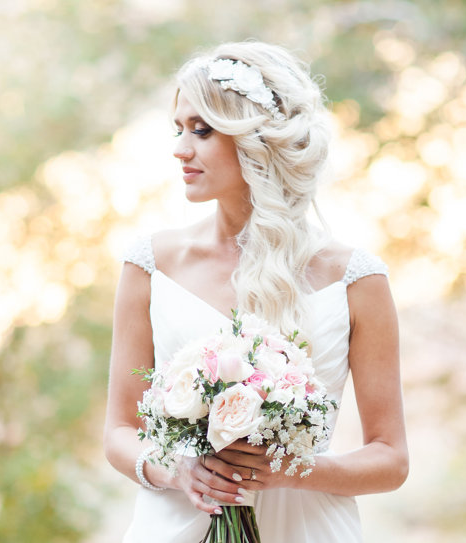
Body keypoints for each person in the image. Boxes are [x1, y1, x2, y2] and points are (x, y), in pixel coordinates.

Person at [103, 40, 408, 543]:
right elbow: (118, 433)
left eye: (201, 130)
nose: (180, 148)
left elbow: (391, 459)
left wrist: (292, 469)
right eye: (178, 129)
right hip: (174, 525)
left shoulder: (358, 280)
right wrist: (175, 468)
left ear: (255, 138)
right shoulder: (150, 265)